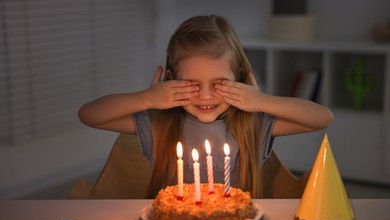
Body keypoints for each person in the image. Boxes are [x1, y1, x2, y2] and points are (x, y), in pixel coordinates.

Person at [78, 15, 333, 198]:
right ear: (171, 80)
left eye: (220, 83)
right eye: (191, 83)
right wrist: (147, 98)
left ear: (240, 80)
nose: (206, 96)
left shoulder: (251, 122)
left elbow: (322, 118)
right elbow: (89, 115)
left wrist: (262, 101)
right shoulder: (158, 123)